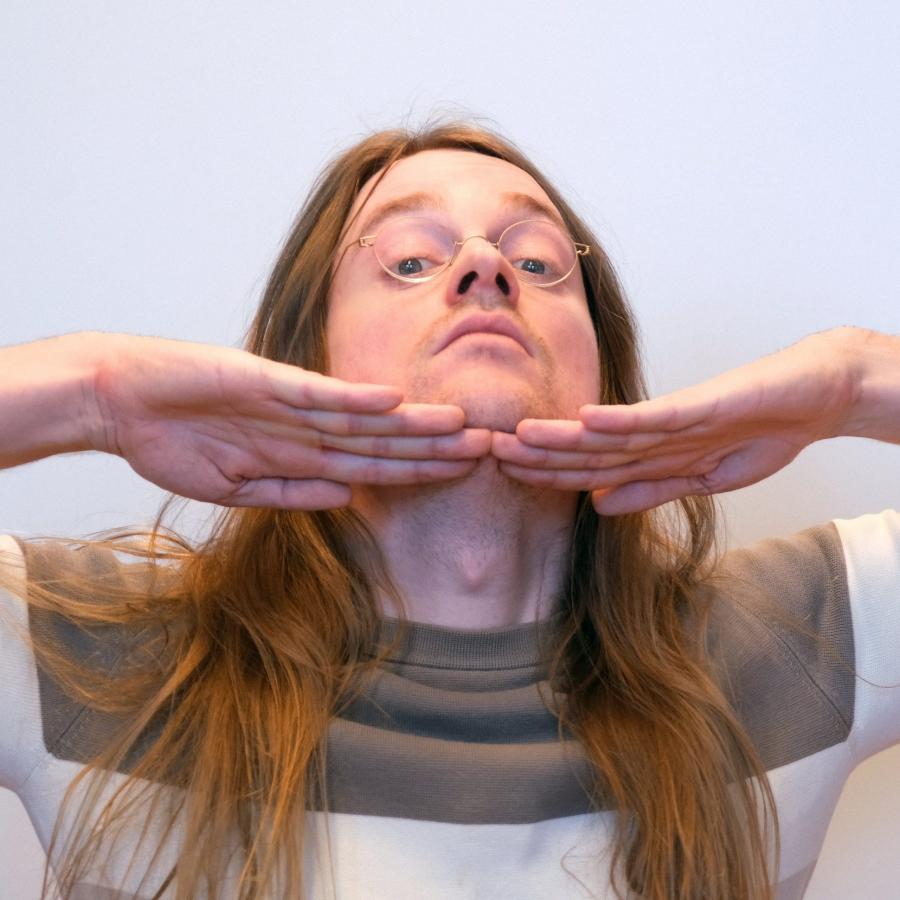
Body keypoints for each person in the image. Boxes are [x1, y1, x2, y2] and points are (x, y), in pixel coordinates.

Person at [0, 122, 898, 900]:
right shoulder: (90, 658)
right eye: (409, 260)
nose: (485, 265)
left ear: (605, 367)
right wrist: (91, 393)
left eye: (537, 260)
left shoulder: (796, 644)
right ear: (301, 361)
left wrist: (857, 381)